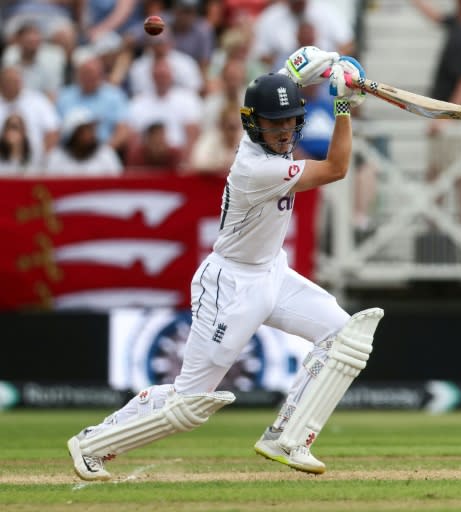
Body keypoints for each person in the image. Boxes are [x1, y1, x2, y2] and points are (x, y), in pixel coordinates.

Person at [66, 46, 384, 481]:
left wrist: (301, 66)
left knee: (345, 336)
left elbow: (272, 92)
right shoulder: (256, 168)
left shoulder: (265, 134)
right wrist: (343, 104)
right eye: (275, 124)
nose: (284, 131)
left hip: (272, 271)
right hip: (231, 285)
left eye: (291, 121)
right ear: (255, 124)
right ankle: (92, 443)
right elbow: (337, 167)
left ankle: (287, 437)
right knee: (190, 404)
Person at [410, 0, 461, 230]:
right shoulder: (459, 24)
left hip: (454, 120)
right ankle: (435, 231)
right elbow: (436, 17)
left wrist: (445, 117)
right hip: (445, 115)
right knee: (436, 174)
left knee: (458, 175)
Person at [43, 107, 123, 176]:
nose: (92, 133)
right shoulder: (56, 157)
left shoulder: (106, 154)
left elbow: (117, 185)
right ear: (74, 134)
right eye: (86, 129)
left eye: (92, 128)